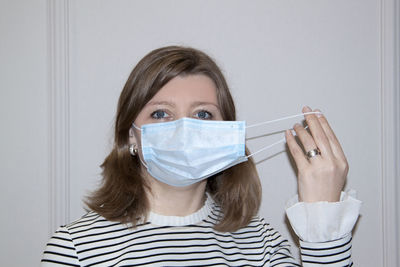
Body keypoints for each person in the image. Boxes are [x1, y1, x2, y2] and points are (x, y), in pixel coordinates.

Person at [41, 46, 361, 266]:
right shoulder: (76, 248)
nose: (184, 129)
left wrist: (323, 218)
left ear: (226, 134)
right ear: (130, 135)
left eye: (203, 115)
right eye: (161, 113)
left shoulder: (260, 244)